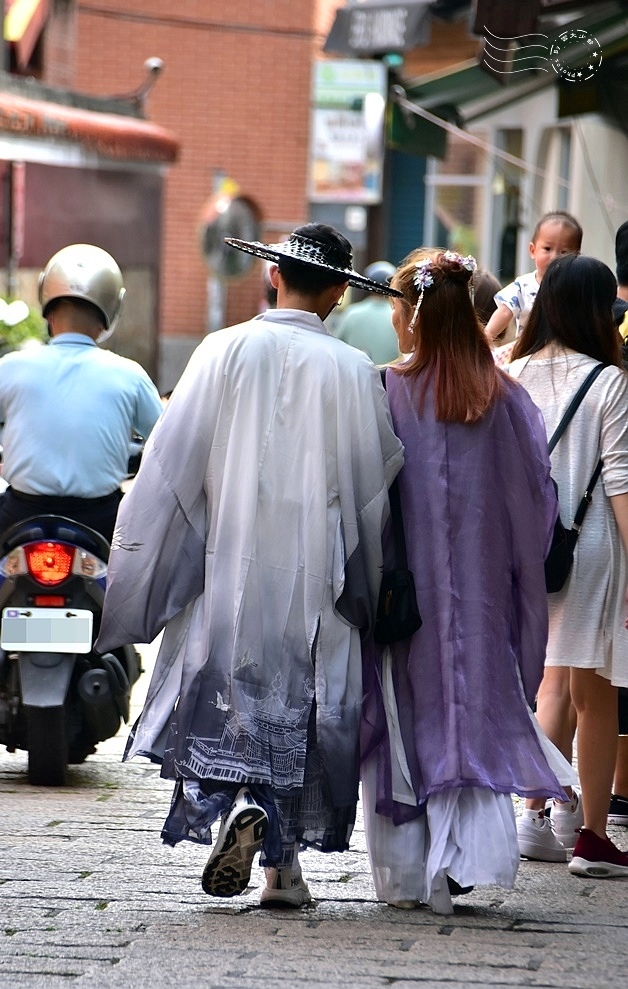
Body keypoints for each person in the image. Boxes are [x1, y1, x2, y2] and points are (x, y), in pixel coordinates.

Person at [94, 223, 405, 909]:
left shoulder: (221, 349)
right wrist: (371, 570)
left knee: (231, 691)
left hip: (228, 560)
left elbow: (170, 464)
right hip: (315, 572)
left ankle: (234, 805)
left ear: (274, 277)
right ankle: (281, 868)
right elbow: (372, 482)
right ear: (333, 292)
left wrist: (160, 556)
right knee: (300, 703)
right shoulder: (353, 370)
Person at [359, 248, 572, 915]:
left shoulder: (388, 388)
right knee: (469, 710)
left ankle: (405, 866)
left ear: (411, 313)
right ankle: (466, 856)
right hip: (480, 593)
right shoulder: (502, 395)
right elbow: (534, 500)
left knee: (404, 713)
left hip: (404, 592)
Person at [509, 253, 628, 877]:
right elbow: (622, 486)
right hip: (592, 549)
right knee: (595, 689)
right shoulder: (609, 382)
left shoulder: (512, 370)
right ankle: (593, 837)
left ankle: (533, 815)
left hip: (528, 550)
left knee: (549, 680)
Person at [0, 244, 163, 576]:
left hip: (20, 515)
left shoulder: (11, 367)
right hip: (100, 519)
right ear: (110, 312)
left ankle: (1, 607)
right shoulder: (130, 375)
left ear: (47, 308)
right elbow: (167, 444)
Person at [485, 210, 582, 345]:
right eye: (547, 249)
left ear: (576, 256)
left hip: (567, 354)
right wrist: (485, 339)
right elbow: (504, 312)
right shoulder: (523, 285)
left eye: (564, 252)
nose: (554, 257)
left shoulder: (578, 287)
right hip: (528, 353)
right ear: (533, 250)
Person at [333, 261, 400, 365]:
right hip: (388, 378)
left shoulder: (351, 313)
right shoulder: (397, 315)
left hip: (354, 376)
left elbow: (336, 345)